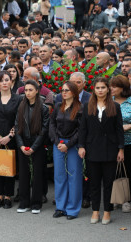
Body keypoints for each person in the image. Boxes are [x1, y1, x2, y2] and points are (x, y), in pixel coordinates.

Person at [78, 77, 124, 225]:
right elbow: (83, 129)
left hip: (110, 149)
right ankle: (95, 211)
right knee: (94, 183)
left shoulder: (115, 106)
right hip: (92, 149)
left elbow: (119, 130)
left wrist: (121, 149)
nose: (100, 90)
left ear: (108, 89)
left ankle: (107, 212)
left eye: (103, 87)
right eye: (97, 88)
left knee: (108, 184)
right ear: (94, 89)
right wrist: (81, 146)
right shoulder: (87, 106)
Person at [14, 80, 49, 214]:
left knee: (37, 174)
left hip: (37, 145)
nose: (27, 93)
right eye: (26, 90)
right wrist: (21, 146)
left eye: (30, 90)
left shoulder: (43, 108)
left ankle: (36, 203)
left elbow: (44, 130)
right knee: (23, 174)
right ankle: (24, 202)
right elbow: (17, 127)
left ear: (36, 91)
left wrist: (34, 147)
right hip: (23, 143)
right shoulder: (21, 106)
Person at [49, 82, 83, 220]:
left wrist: (68, 145)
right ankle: (60, 207)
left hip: (73, 146)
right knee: (59, 176)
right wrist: (57, 142)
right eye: (62, 90)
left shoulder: (80, 108)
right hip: (58, 144)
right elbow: (52, 124)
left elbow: (81, 130)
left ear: (74, 92)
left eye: (67, 90)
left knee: (73, 177)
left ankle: (72, 209)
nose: (64, 92)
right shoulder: (58, 106)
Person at [0, 71, 21, 209]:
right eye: (1, 81)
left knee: (9, 166)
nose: (4, 83)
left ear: (12, 82)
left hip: (11, 138)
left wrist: (9, 136)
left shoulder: (18, 99)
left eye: (7, 80)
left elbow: (19, 121)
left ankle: (8, 196)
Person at [109, 75, 131, 213]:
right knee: (113, 171)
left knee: (127, 170)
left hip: (129, 142)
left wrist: (129, 126)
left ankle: (127, 200)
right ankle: (116, 197)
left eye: (115, 86)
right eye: (111, 86)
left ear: (123, 88)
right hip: (111, 142)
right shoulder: (108, 101)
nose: (111, 89)